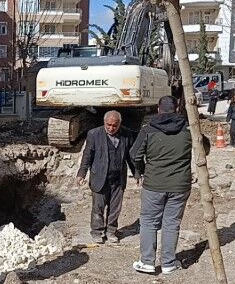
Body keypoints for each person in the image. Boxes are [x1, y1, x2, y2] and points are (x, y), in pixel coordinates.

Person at [130, 96, 208, 274]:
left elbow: (135, 154)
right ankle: (168, 263)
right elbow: (205, 150)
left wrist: (141, 170)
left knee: (149, 222)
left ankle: (147, 262)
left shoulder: (148, 130)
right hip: (180, 186)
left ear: (158, 109)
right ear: (177, 108)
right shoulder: (189, 129)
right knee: (171, 223)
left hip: (154, 184)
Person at [76, 111, 136, 244]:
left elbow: (130, 157)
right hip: (100, 177)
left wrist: (136, 173)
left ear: (119, 124)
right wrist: (82, 173)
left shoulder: (126, 135)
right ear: (104, 122)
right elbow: (87, 155)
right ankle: (97, 231)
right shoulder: (94, 134)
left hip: (118, 178)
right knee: (98, 207)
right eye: (108, 125)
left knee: (115, 207)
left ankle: (111, 231)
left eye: (114, 126)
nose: (111, 128)